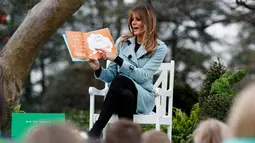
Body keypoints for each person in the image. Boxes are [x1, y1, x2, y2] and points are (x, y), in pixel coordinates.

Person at [87, 3, 168, 138]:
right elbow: (111, 75)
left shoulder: (159, 48)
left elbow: (142, 76)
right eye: (132, 19)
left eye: (138, 19)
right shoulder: (122, 42)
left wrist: (118, 59)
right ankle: (129, 139)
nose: (133, 23)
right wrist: (98, 69)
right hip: (120, 94)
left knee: (121, 79)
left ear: (148, 22)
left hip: (143, 96)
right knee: (125, 95)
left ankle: (96, 129)